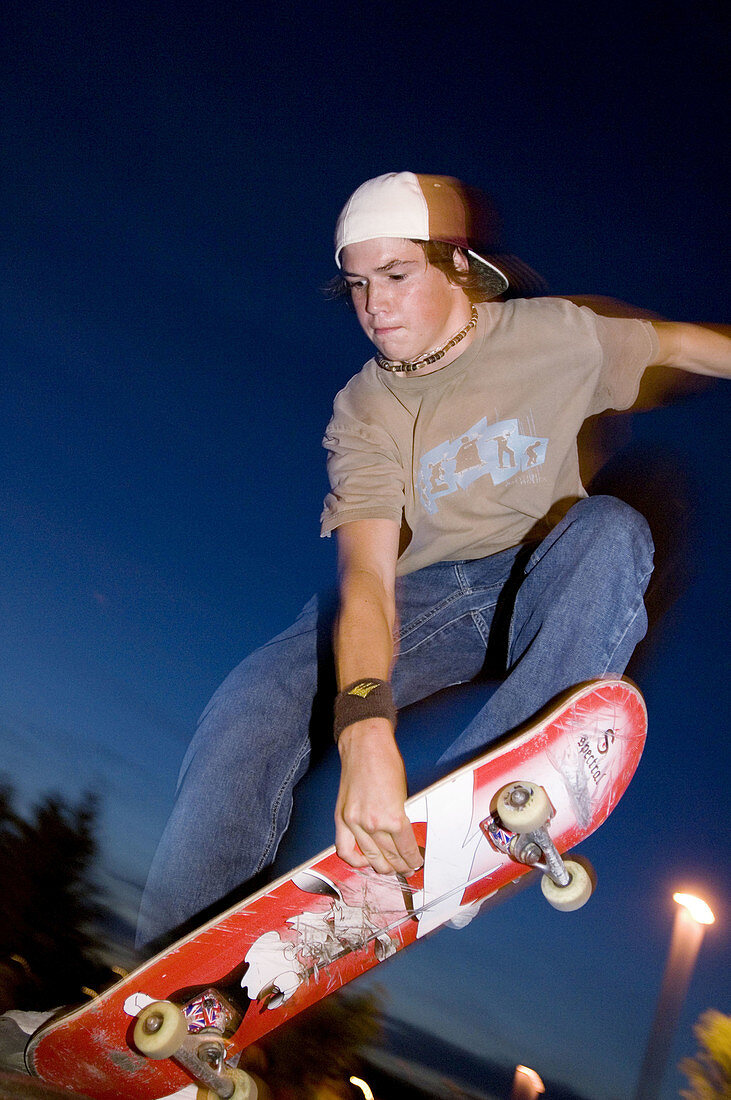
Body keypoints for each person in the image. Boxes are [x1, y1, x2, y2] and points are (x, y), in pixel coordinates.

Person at [130, 172, 729, 950]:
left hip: (544, 574)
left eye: (395, 276)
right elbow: (369, 582)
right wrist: (363, 733)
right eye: (355, 286)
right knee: (257, 695)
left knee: (614, 527)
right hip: (425, 599)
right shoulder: (366, 408)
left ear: (454, 268)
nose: (373, 306)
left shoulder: (557, 334)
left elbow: (683, 344)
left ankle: (497, 797)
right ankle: (176, 975)